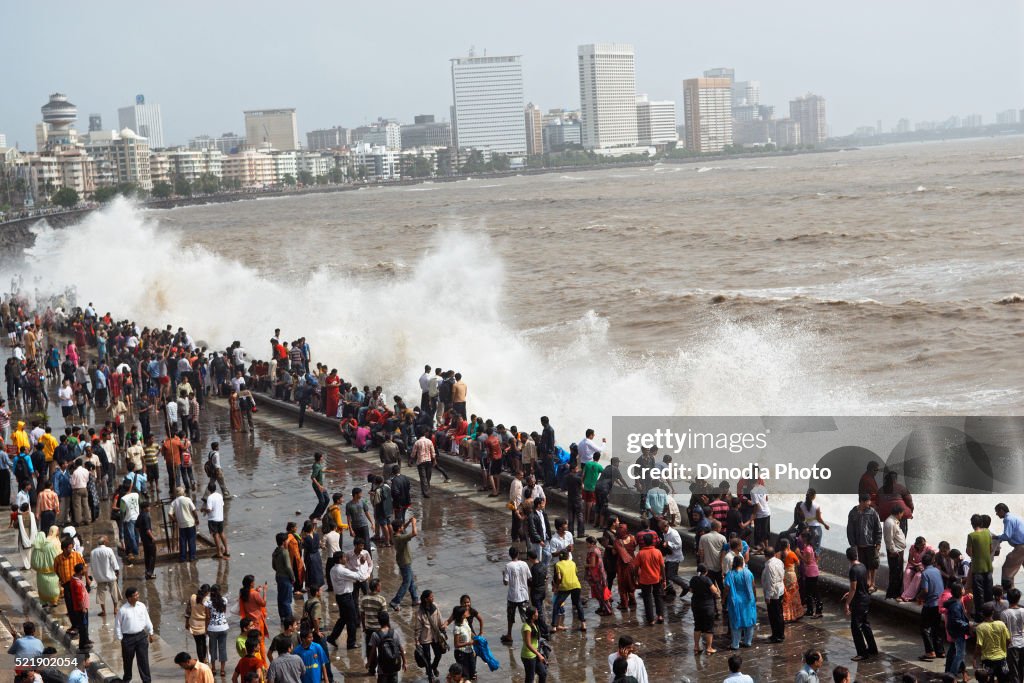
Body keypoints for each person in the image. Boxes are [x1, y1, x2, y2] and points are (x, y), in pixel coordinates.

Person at [843, 546, 878, 661]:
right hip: (866, 598)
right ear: (856, 556)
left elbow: (853, 588)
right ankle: (872, 648)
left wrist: (847, 603)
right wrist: (851, 592)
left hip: (859, 601)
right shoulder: (862, 566)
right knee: (865, 624)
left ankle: (862, 653)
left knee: (856, 627)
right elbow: (866, 583)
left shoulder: (853, 570)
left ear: (848, 558)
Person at [117, 586, 156, 683]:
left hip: (141, 637)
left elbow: (147, 619)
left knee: (143, 661)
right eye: (135, 595)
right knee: (127, 661)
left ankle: (147, 681)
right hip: (128, 639)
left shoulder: (141, 606)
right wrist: (121, 639)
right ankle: (127, 680)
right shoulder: (123, 610)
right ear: (129, 598)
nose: (138, 596)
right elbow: (117, 625)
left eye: (137, 594)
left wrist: (151, 632)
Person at [847, 492, 882, 591]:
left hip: (871, 544)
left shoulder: (872, 512)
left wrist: (878, 542)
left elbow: (878, 528)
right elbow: (850, 530)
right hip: (859, 545)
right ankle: (866, 582)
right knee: (863, 565)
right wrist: (852, 544)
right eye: (868, 501)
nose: (870, 503)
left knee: (873, 564)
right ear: (862, 502)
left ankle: (873, 583)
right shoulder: (853, 513)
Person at [918, 550, 946, 661]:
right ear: (932, 561)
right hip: (939, 603)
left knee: (924, 628)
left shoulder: (925, 573)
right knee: (936, 628)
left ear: (922, 563)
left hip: (930, 604)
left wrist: (919, 597)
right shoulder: (937, 570)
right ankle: (941, 651)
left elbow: (925, 590)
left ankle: (930, 652)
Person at [413, 590, 447, 682]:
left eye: (433, 596)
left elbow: (440, 620)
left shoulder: (435, 607)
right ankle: (430, 676)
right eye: (431, 597)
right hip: (425, 638)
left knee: (438, 655)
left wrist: (443, 630)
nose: (433, 598)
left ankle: (433, 667)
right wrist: (417, 640)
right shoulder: (420, 612)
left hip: (435, 636)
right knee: (427, 658)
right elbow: (418, 628)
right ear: (426, 599)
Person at [724, 555, 757, 650]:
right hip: (748, 600)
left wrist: (723, 599)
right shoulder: (748, 573)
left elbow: (727, 588)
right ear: (742, 562)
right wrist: (754, 597)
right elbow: (753, 586)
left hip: (735, 601)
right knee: (749, 620)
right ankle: (748, 641)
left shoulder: (730, 574)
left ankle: (735, 644)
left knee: (736, 621)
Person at [968, 513, 996, 620]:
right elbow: (989, 550)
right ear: (981, 523)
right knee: (989, 593)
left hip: (977, 569)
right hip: (988, 568)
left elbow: (970, 552)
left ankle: (980, 618)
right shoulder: (988, 534)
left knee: (979, 595)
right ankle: (990, 616)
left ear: (972, 524)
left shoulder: (971, 535)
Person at [551, 548, 586, 632]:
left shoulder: (558, 565)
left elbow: (559, 578)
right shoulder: (573, 563)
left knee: (556, 605)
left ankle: (554, 626)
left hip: (564, 587)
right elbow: (575, 573)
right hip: (576, 585)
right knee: (578, 604)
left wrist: (556, 586)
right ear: (567, 556)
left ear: (560, 557)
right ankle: (583, 624)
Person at [975, 604, 1012, 683]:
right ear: (993, 612)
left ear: (982, 614)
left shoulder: (980, 627)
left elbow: (979, 646)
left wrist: (975, 658)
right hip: (1002, 659)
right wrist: (1004, 650)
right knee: (1004, 680)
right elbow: (1009, 640)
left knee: (986, 681)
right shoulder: (1001, 624)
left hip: (988, 661)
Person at [502, 546, 532, 644]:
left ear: (510, 555)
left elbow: (506, 582)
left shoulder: (508, 566)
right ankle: (530, 635)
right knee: (526, 618)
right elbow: (529, 578)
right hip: (524, 595)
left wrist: (503, 575)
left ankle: (509, 634)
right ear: (518, 554)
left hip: (513, 596)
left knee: (510, 617)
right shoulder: (524, 564)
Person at [388, 516, 419, 609]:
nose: (403, 528)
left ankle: (415, 599)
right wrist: (414, 522)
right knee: (407, 582)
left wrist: (408, 522)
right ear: (399, 528)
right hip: (405, 562)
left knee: (411, 581)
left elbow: (403, 528)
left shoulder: (395, 535)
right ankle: (395, 601)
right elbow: (414, 533)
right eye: (401, 526)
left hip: (403, 561)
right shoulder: (401, 538)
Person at [690, 564, 720, 655]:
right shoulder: (707, 580)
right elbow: (714, 591)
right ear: (706, 571)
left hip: (696, 605)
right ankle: (709, 648)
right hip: (707, 606)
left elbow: (691, 590)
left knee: (697, 626)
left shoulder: (693, 579)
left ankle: (696, 647)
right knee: (708, 628)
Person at [943, 582, 971, 679]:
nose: (964, 590)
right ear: (960, 591)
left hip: (955, 632)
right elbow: (957, 620)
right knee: (960, 654)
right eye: (963, 588)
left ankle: (954, 673)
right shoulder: (956, 605)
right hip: (958, 632)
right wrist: (968, 625)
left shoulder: (954, 601)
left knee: (956, 652)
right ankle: (952, 675)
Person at [994, 503, 1024, 592]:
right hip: (1021, 546)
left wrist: (997, 537)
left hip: (1021, 547)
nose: (996, 514)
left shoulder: (1008, 519)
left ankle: (1009, 594)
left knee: (1007, 570)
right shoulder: (1015, 517)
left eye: (997, 512)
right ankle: (1013, 594)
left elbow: (1007, 536)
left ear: (1002, 510)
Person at [89, 535, 121, 617]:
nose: (107, 541)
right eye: (106, 540)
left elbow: (92, 565)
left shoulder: (93, 552)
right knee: (114, 592)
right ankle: (115, 609)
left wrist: (95, 575)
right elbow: (114, 562)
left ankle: (103, 611)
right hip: (110, 575)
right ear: (104, 542)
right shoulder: (108, 550)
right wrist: (117, 570)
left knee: (101, 594)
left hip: (100, 577)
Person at [205, 584, 231, 678]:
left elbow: (208, 617)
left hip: (212, 628)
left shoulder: (208, 602)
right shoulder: (224, 600)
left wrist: (206, 628)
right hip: (223, 627)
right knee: (222, 649)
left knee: (212, 649)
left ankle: (213, 668)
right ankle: (223, 670)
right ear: (219, 591)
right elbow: (224, 612)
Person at [884, 504, 907, 600]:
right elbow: (889, 539)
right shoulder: (890, 523)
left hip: (898, 550)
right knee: (895, 573)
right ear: (898, 513)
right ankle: (893, 594)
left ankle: (894, 593)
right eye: (902, 513)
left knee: (898, 573)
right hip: (895, 552)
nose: (902, 515)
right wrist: (893, 551)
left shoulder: (894, 521)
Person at [171, 486, 198, 562]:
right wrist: (197, 519)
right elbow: (194, 511)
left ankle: (183, 558)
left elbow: (170, 514)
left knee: (183, 541)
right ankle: (192, 557)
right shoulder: (188, 499)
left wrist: (175, 520)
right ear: (183, 492)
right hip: (190, 523)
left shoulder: (174, 502)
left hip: (181, 525)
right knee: (191, 540)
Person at [203, 482, 229, 558]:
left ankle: (219, 553)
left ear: (208, 489)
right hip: (220, 518)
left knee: (215, 535)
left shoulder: (210, 498)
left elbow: (209, 510)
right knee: (221, 533)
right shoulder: (220, 496)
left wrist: (203, 509)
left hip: (212, 519)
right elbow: (223, 504)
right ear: (215, 488)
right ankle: (227, 550)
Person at [521, 606, 547, 683]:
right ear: (533, 616)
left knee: (543, 673)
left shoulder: (534, 623)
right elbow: (528, 644)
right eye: (536, 612)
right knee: (530, 679)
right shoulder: (527, 628)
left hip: (535, 654)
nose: (538, 614)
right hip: (528, 656)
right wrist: (539, 655)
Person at [451, 604, 476, 681]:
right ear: (461, 615)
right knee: (465, 675)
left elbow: (469, 631)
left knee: (472, 672)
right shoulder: (457, 628)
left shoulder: (465, 621)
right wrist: (469, 643)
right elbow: (456, 644)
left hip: (470, 651)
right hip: (461, 654)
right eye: (465, 612)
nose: (467, 612)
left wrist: (476, 637)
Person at [137, 500, 158, 579]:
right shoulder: (146, 516)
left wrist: (141, 535)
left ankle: (147, 571)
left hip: (144, 539)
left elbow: (137, 527)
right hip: (148, 540)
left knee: (147, 555)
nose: (150, 508)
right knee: (152, 556)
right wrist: (153, 538)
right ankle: (150, 572)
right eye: (148, 506)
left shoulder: (140, 515)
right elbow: (148, 530)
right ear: (145, 508)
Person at [310, 452, 329, 520]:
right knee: (322, 501)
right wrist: (319, 486)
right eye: (322, 457)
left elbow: (320, 471)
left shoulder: (318, 464)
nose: (323, 458)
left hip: (321, 485)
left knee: (327, 499)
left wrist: (329, 471)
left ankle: (319, 514)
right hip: (317, 486)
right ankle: (314, 515)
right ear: (320, 458)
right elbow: (312, 477)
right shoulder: (316, 466)